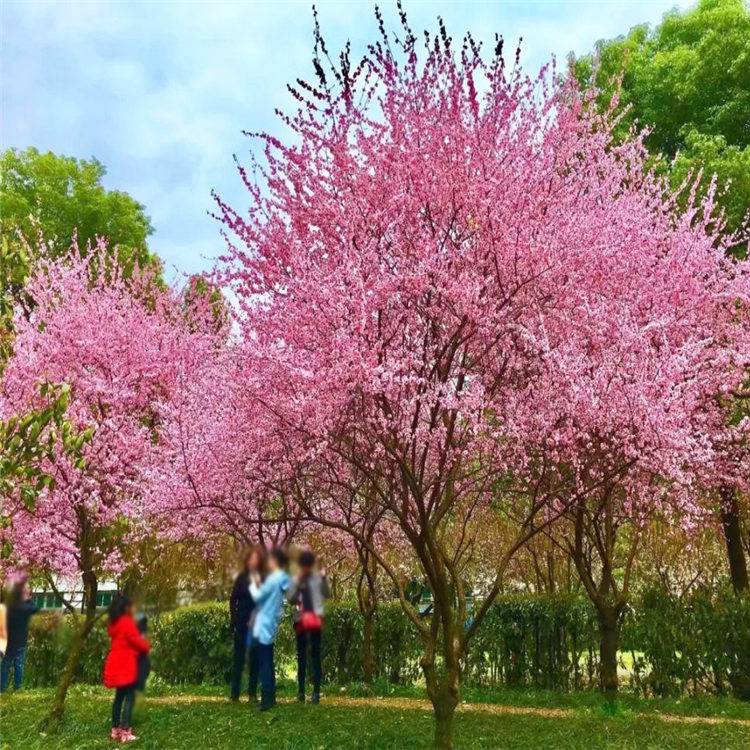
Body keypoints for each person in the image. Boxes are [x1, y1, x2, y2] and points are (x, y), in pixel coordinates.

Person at [103, 593, 150, 744]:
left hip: (116, 663)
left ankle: (115, 730)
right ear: (125, 608)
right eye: (130, 606)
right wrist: (147, 645)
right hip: (126, 665)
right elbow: (136, 641)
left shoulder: (113, 623)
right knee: (130, 698)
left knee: (118, 698)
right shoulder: (126, 622)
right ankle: (125, 731)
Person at [249, 547, 290, 711]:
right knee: (268, 660)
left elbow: (258, 597)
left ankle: (266, 700)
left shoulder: (273, 579)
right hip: (272, 622)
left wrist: (253, 582)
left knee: (264, 662)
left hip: (264, 623)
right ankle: (271, 697)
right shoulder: (283, 577)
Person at [287, 550, 330, 704]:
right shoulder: (301, 579)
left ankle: (311, 693)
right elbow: (291, 599)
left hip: (309, 622)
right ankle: (306, 692)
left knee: (310, 657)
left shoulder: (315, 579)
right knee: (307, 657)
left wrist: (324, 578)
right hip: (306, 622)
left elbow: (326, 594)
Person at [229, 547, 262, 703]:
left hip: (256, 623)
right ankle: (234, 694)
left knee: (254, 659)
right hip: (242, 622)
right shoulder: (241, 578)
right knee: (239, 658)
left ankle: (252, 693)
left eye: (256, 559)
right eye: (251, 559)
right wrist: (234, 620)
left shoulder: (261, 578)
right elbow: (232, 599)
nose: (253, 562)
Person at [0, 579, 38, 692]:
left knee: (6, 665)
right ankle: (17, 687)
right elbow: (34, 608)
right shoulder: (24, 606)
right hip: (19, 641)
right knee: (18, 664)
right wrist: (28, 598)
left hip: (9, 641)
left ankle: (2, 688)